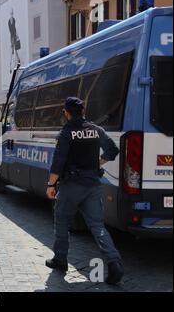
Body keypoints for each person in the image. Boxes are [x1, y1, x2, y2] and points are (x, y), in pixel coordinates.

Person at [45, 97, 123, 285]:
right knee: (97, 226)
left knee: (62, 221)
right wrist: (97, 163)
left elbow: (58, 162)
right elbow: (112, 150)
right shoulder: (97, 130)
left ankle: (60, 260)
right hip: (93, 184)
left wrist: (50, 185)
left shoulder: (67, 132)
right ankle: (115, 264)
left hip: (71, 185)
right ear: (83, 111)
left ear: (67, 112)